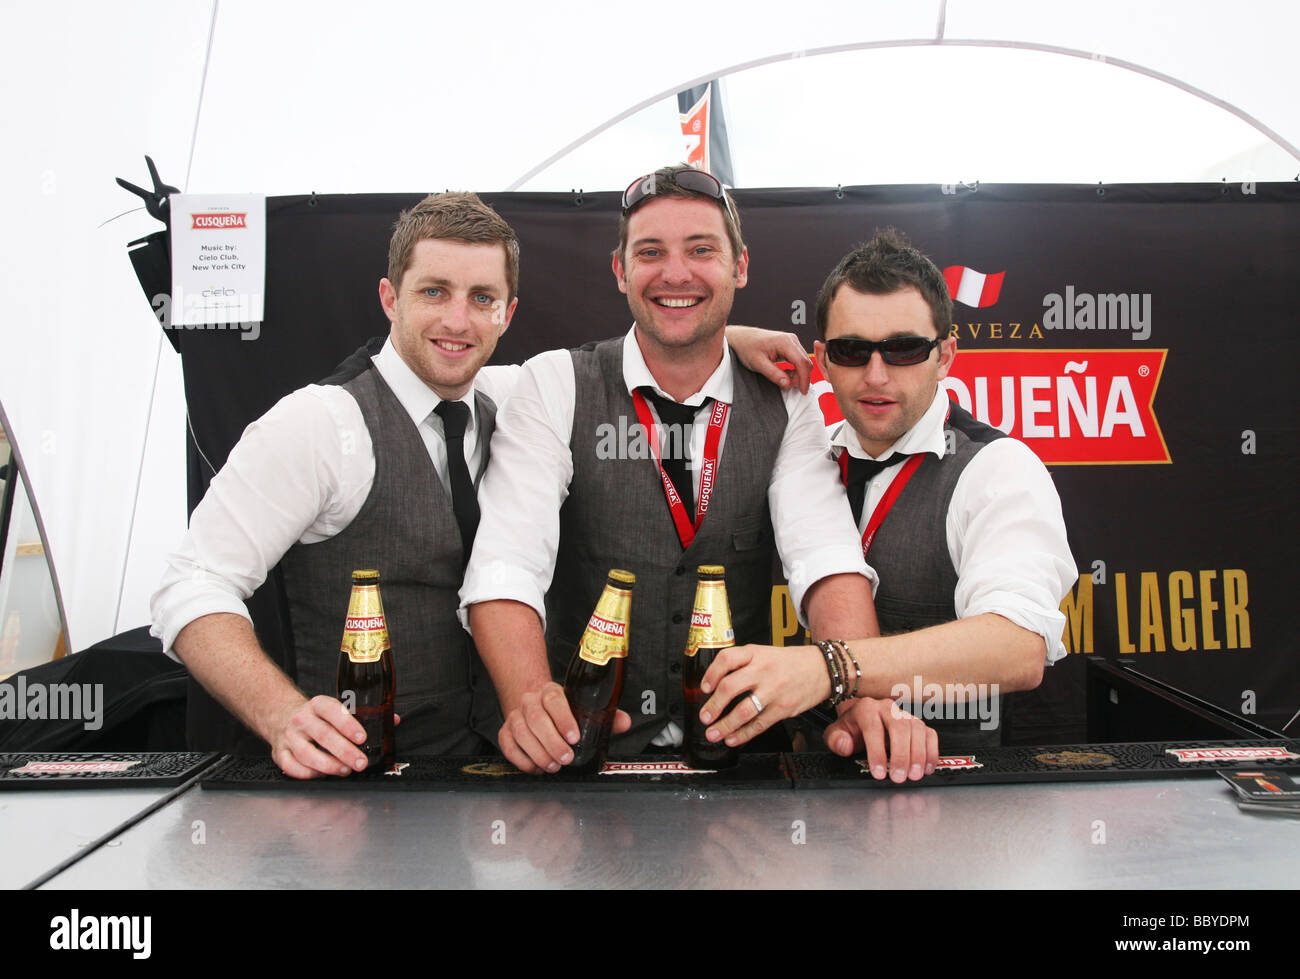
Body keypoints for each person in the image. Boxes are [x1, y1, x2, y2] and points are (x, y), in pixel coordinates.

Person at [151, 190, 834, 780]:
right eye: (434, 292)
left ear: (508, 312)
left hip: (491, 777)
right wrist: (282, 716)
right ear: (389, 296)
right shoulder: (317, 424)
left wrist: (724, 333)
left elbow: (654, 356)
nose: (458, 321)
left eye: (482, 298)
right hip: (357, 783)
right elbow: (191, 582)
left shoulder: (511, 394)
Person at [462, 166, 938, 782]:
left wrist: (860, 695)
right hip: (579, 758)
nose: (676, 273)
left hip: (737, 762)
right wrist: (529, 699)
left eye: (701, 250)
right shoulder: (555, 384)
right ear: (621, 271)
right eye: (651, 252)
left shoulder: (786, 403)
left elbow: (823, 560)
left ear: (739, 267)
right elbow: (507, 563)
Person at [699, 229, 1077, 759]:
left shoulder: (998, 469)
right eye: (853, 351)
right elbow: (648, 364)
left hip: (953, 794)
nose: (876, 375)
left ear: (945, 356)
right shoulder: (803, 457)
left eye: (903, 349)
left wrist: (831, 669)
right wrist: (720, 343)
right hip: (803, 792)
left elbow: (1016, 647)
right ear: (823, 359)